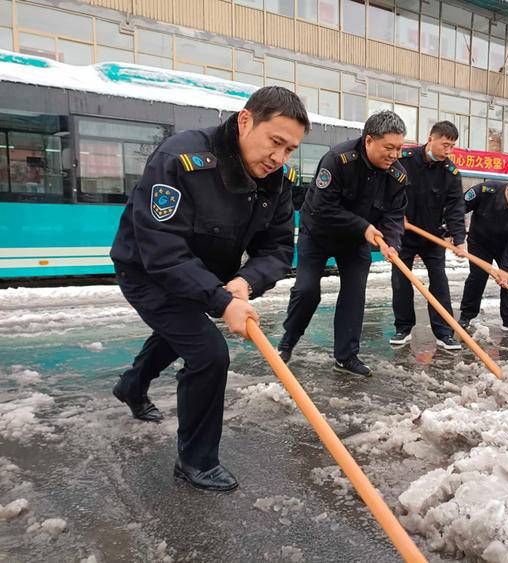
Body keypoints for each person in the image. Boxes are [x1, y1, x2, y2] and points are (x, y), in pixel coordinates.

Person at [109, 86, 309, 492]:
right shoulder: (180, 160)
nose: (279, 157)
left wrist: (244, 282)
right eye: (275, 142)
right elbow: (162, 251)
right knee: (208, 352)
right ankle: (196, 461)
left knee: (180, 332)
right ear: (245, 120)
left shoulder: (275, 180)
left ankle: (132, 385)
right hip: (146, 270)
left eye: (290, 150)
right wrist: (220, 301)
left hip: (201, 274)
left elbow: (278, 248)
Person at [277, 111, 408, 377]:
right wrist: (365, 227)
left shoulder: (397, 175)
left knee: (354, 295)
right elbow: (324, 207)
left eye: (399, 148)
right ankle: (287, 343)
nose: (394, 155)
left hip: (355, 242)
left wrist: (391, 242)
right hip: (319, 235)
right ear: (369, 140)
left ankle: (346, 356)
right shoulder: (338, 160)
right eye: (389, 148)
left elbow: (394, 214)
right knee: (306, 291)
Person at [389, 121, 466, 351]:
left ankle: (444, 332)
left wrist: (458, 238)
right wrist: (395, 217)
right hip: (404, 233)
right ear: (430, 138)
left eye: (452, 146)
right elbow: (388, 191)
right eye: (445, 144)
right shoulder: (404, 160)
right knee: (401, 281)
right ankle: (403, 327)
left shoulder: (450, 173)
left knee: (439, 282)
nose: (448, 151)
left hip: (433, 236)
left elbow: (455, 207)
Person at [458, 175, 508, 335]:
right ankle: (467, 315)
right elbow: (459, 209)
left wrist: (504, 271)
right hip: (480, 242)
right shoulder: (486, 191)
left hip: (506, 246)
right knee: (478, 277)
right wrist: (454, 232)